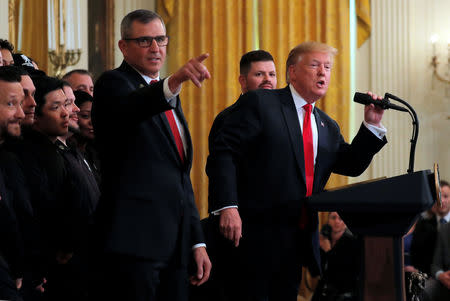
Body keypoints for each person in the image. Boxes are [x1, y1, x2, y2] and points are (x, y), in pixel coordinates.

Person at [206, 41, 387, 301]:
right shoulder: (261, 103)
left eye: (327, 67)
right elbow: (224, 153)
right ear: (292, 72)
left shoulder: (326, 124)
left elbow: (351, 164)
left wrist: (371, 126)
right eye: (314, 65)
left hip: (296, 241)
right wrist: (227, 206)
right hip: (253, 237)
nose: (322, 73)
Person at [92, 9, 211, 301]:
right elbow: (133, 107)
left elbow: (179, 175)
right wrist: (173, 82)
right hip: (135, 244)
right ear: (124, 46)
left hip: (176, 244)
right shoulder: (114, 85)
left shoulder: (165, 94)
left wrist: (197, 241)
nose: (156, 48)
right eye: (145, 41)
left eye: (160, 39)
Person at [312, 212, 359, 301]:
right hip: (323, 291)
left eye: (340, 219)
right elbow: (315, 271)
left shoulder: (351, 243)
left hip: (342, 294)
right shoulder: (325, 240)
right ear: (328, 221)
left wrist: (328, 251)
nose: (336, 221)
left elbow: (342, 272)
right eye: (333, 218)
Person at [410, 180, 450, 276]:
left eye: (445, 196)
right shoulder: (423, 225)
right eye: (438, 197)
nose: (442, 201)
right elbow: (416, 255)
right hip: (430, 276)